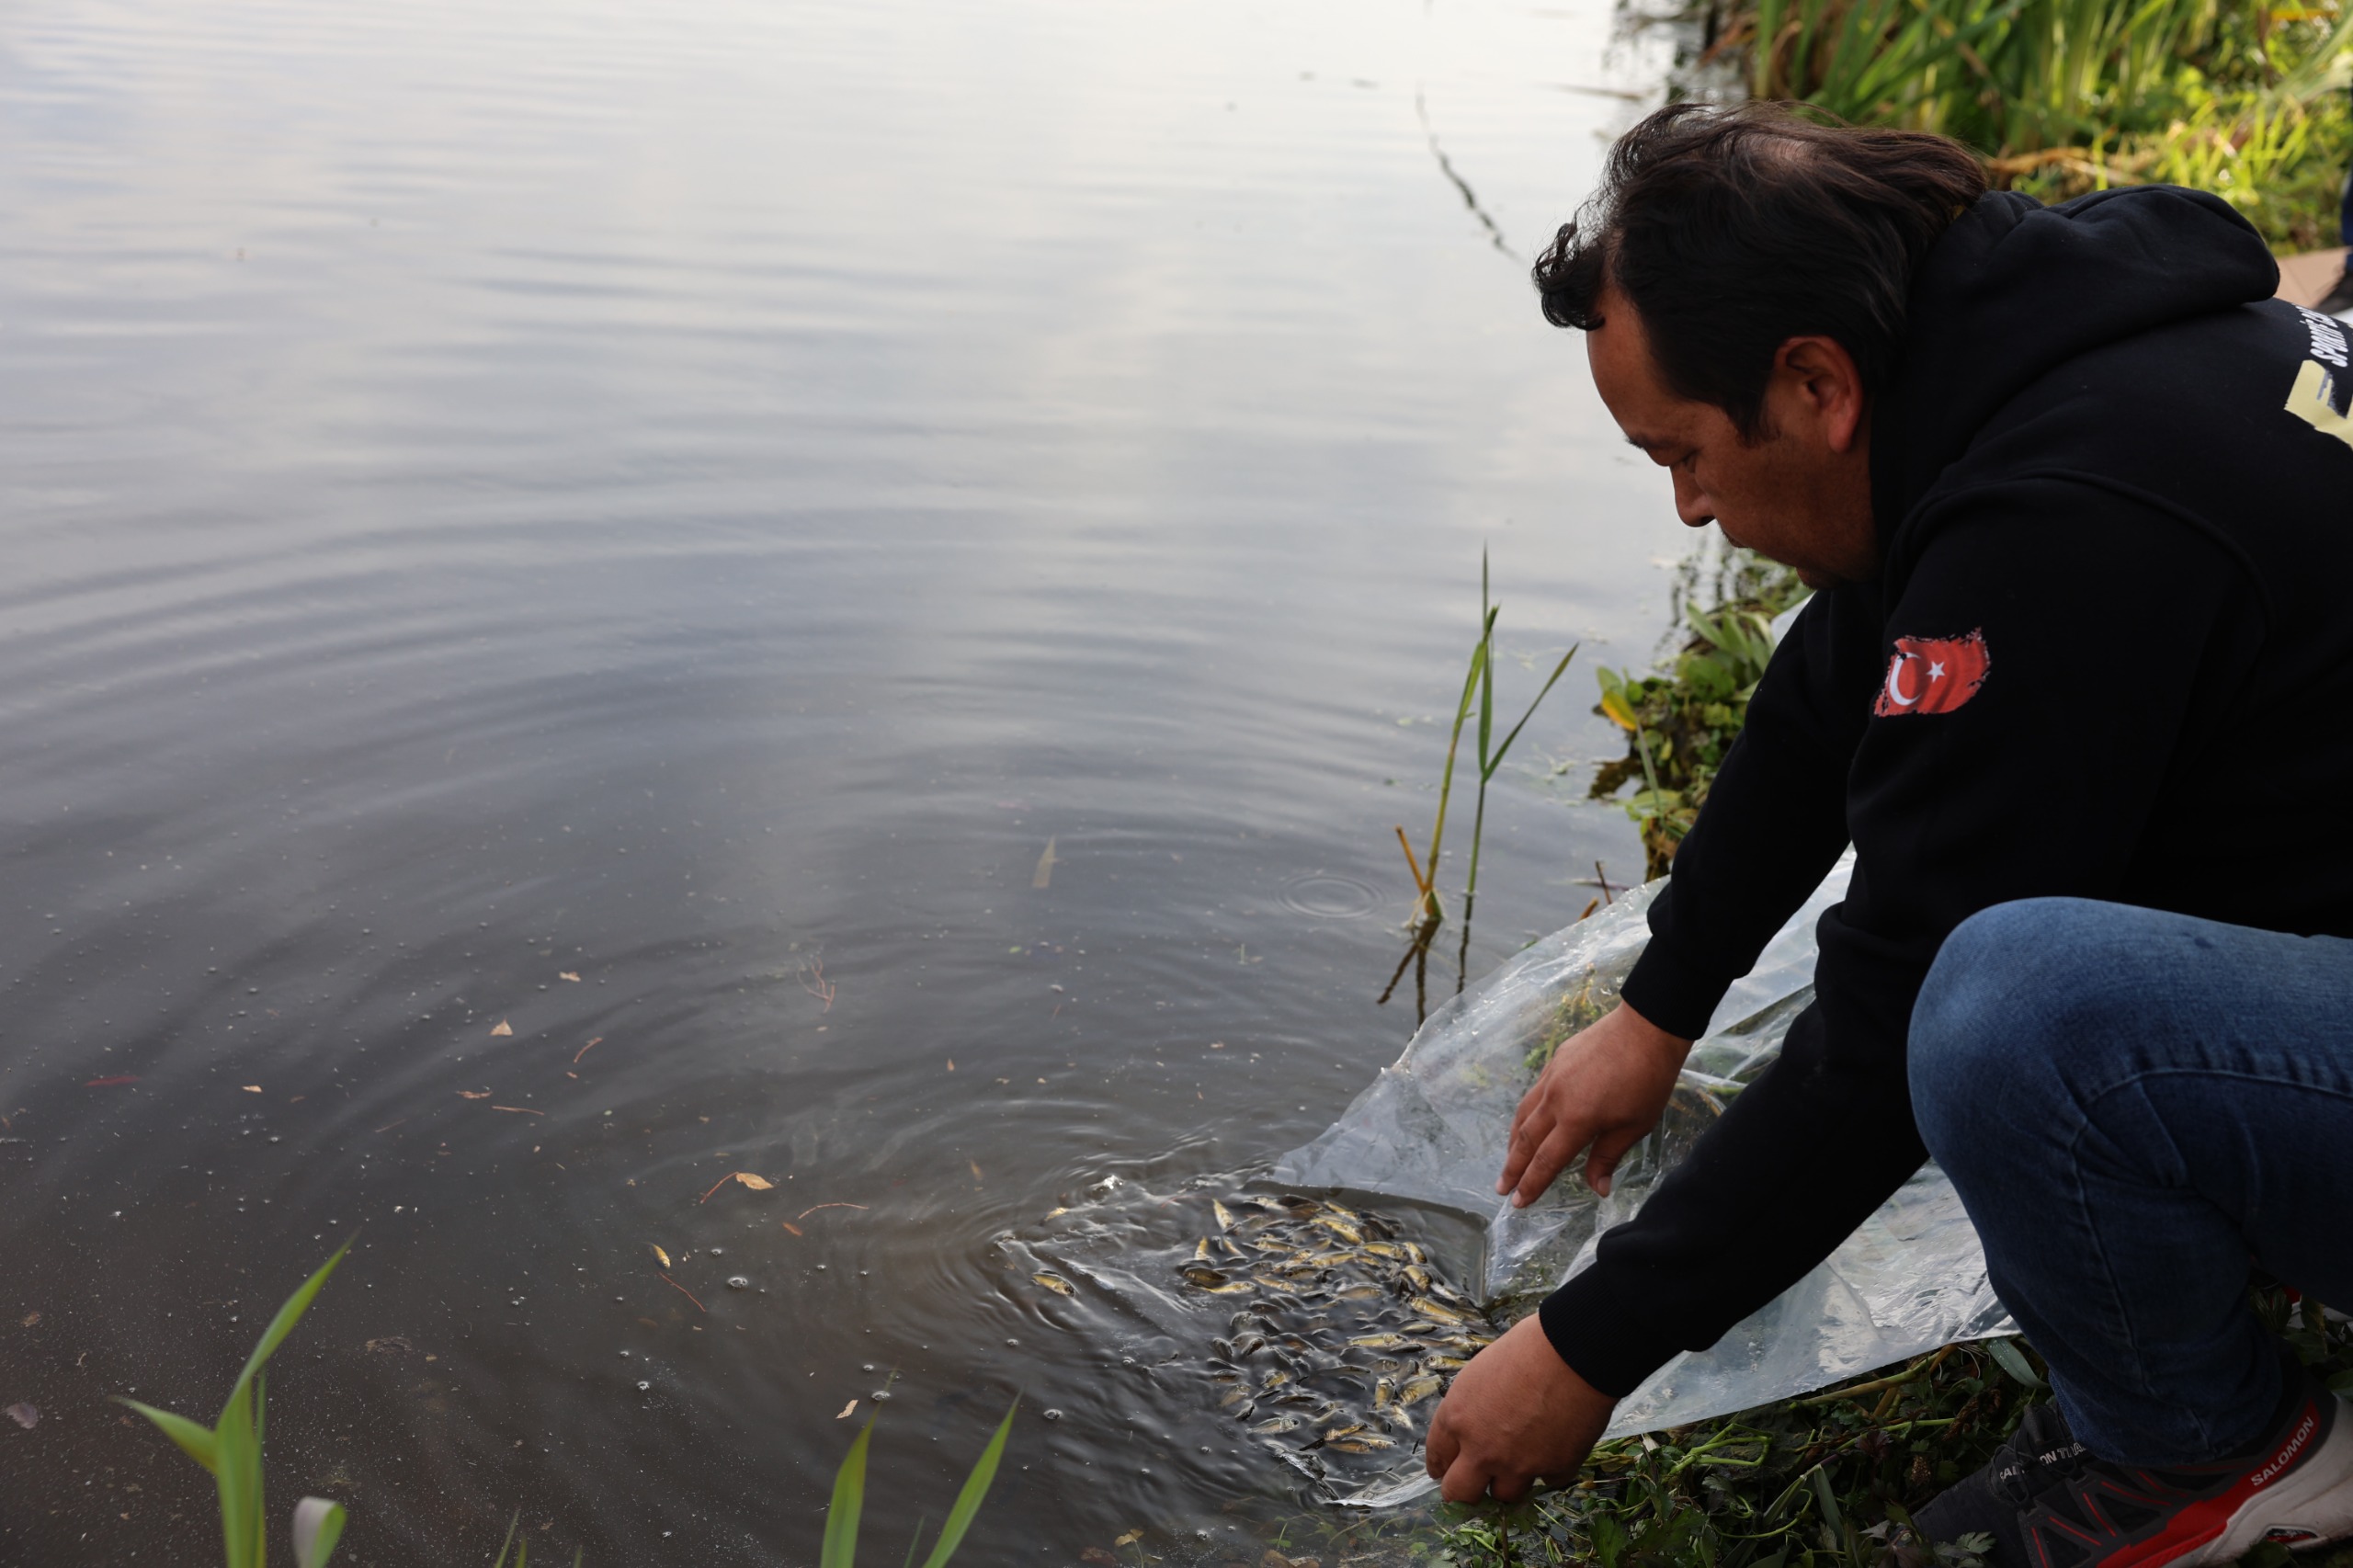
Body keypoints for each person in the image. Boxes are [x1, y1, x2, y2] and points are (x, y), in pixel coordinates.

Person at [1422, 101, 2353, 1568]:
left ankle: (2215, 1451)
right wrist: (1665, 1005)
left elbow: (1884, 1038)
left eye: (1684, 453)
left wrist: (1583, 1348)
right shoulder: (2056, 347)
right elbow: (1834, 671)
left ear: (1814, 382)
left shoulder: (2065, 520)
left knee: (2006, 1011)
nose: (1690, 510)